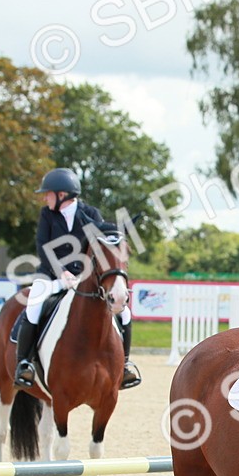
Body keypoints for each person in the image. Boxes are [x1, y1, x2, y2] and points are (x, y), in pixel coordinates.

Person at [15, 167, 141, 391]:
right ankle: (25, 363)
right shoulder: (47, 215)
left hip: (83, 277)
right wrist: (61, 271)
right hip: (52, 275)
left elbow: (102, 247)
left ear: (61, 195)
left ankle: (125, 365)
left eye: (48, 193)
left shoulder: (92, 214)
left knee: (125, 312)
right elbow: (43, 246)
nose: (45, 197)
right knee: (33, 304)